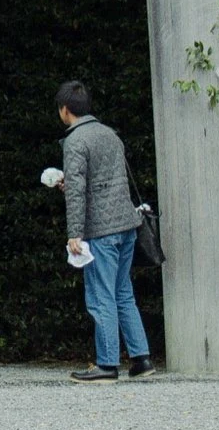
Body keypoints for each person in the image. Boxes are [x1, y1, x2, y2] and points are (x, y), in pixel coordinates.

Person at [52, 81, 155, 382]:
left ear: (65, 110)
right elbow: (109, 181)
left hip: (101, 231)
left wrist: (74, 234)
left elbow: (77, 194)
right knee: (124, 294)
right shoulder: (110, 134)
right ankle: (142, 359)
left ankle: (107, 364)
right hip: (127, 225)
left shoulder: (75, 141)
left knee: (100, 296)